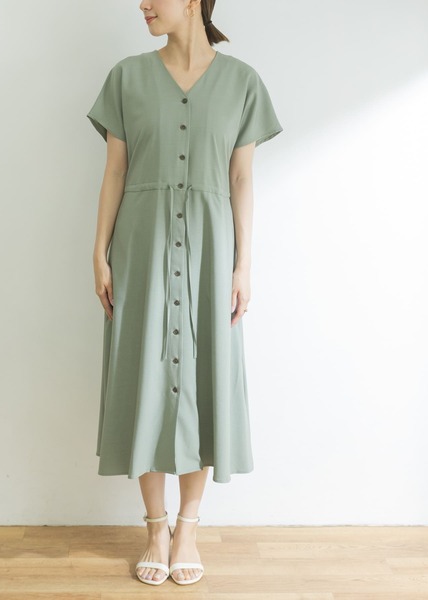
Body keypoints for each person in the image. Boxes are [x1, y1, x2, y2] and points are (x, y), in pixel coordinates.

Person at [86, 0, 283, 587]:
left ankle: (188, 529)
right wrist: (99, 250)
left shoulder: (242, 82)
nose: (142, 4)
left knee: (204, 378)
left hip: (211, 251)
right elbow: (115, 170)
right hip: (141, 248)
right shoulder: (126, 77)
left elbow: (241, 177)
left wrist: (243, 263)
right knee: (143, 375)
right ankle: (155, 528)